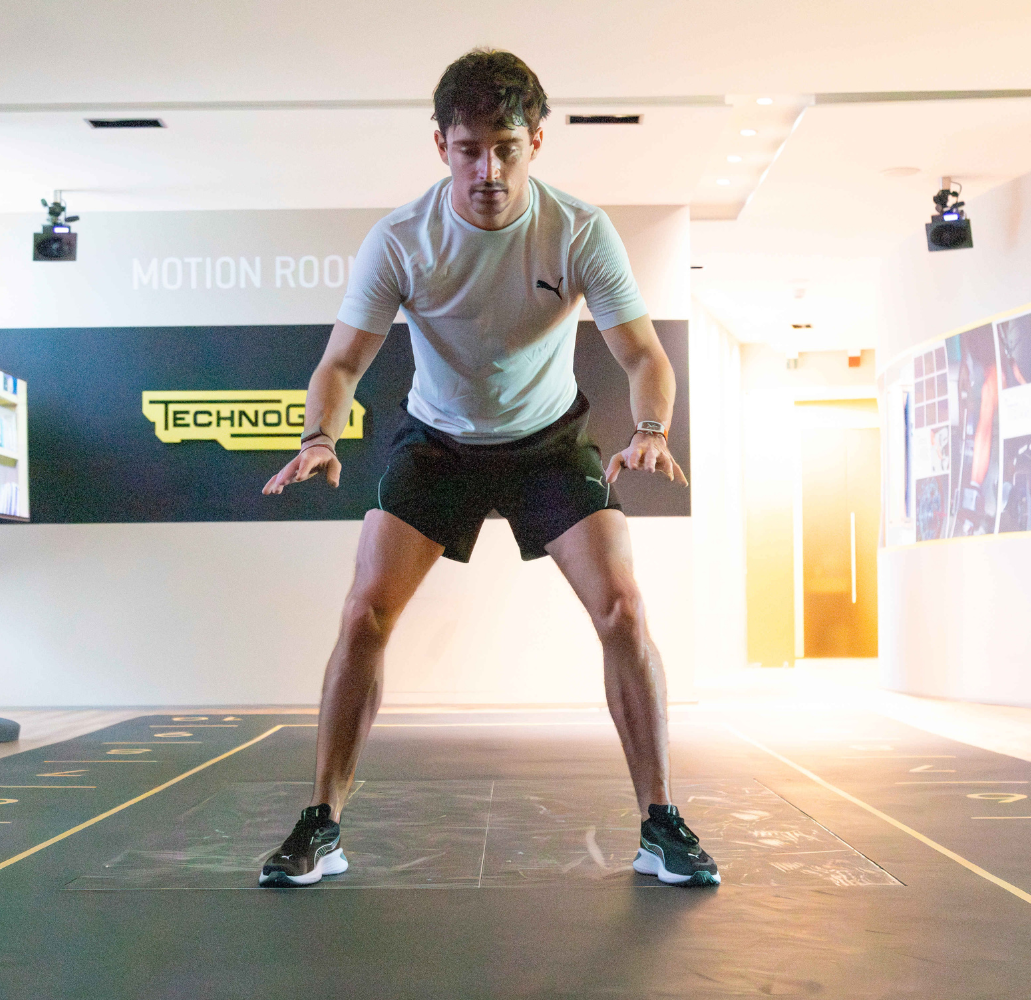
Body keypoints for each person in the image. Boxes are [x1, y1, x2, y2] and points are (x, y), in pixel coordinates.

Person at [255, 49, 718, 888]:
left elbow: (643, 354)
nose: (489, 171)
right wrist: (319, 437)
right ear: (441, 146)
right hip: (438, 443)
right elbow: (341, 364)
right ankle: (321, 824)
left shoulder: (578, 230)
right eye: (470, 150)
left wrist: (651, 426)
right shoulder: (401, 240)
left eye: (506, 148)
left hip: (548, 442)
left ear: (536, 141)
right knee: (364, 614)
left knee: (622, 608)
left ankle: (660, 824)